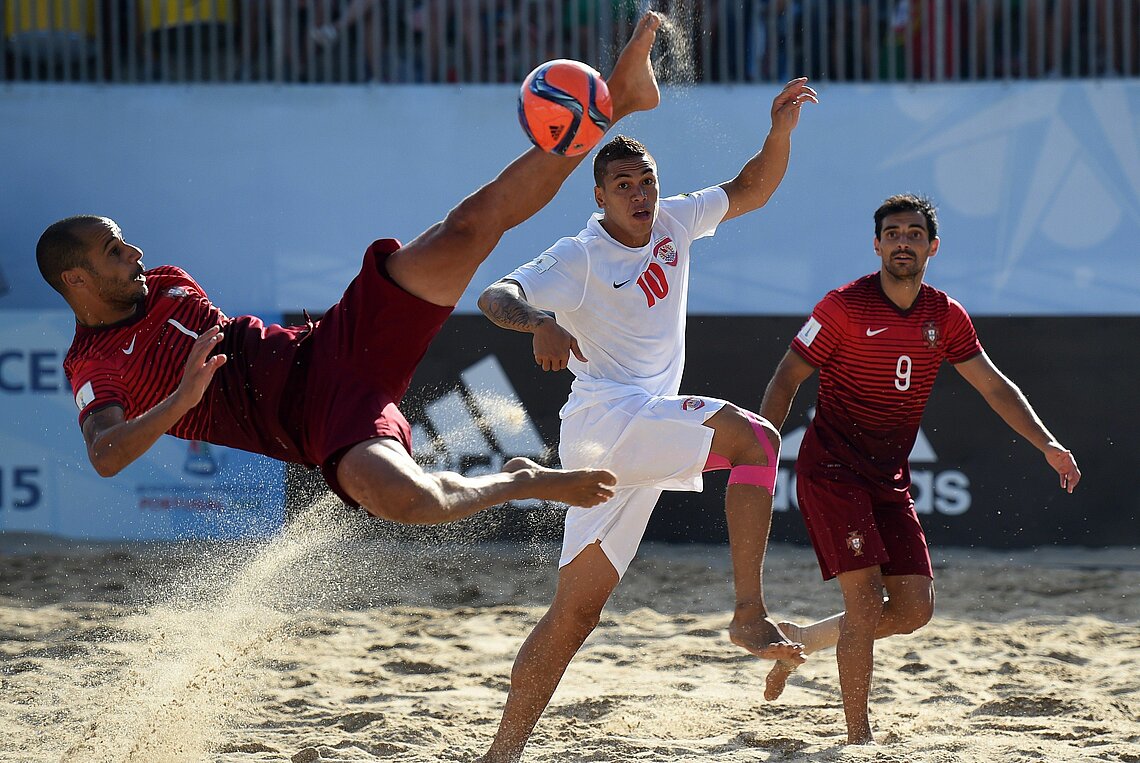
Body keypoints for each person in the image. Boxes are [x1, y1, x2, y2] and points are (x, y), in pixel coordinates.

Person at [35, 12, 672, 527]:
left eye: (125, 243)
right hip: (317, 424)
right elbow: (105, 456)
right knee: (415, 505)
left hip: (335, 341)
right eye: (114, 253)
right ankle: (522, 481)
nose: (136, 255)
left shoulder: (166, 281)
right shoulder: (94, 364)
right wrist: (181, 399)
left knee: (468, 228)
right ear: (77, 281)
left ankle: (615, 101)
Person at [475, 76, 819, 761]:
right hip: (609, 421)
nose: (639, 193)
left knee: (574, 615)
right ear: (599, 196)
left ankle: (500, 754)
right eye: (624, 184)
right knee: (755, 439)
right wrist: (540, 320)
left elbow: (752, 187)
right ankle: (748, 614)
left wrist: (778, 133)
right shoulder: (580, 254)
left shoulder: (675, 220)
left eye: (646, 180)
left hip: (631, 435)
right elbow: (495, 293)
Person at [758, 193, 1082, 745]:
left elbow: (992, 385)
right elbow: (786, 377)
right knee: (861, 604)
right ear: (877, 244)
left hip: (889, 476)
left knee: (913, 609)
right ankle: (857, 738)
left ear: (932, 246)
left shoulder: (945, 314)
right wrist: (762, 455)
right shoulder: (843, 306)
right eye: (892, 233)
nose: (902, 241)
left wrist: (1047, 443)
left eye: (913, 233)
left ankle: (800, 642)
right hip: (832, 470)